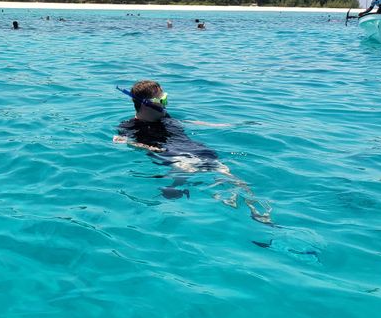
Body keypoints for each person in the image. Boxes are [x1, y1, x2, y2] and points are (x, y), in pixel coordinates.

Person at [114, 80, 270, 222]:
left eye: (165, 98)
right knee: (186, 168)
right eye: (162, 101)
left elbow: (188, 122)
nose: (166, 104)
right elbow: (134, 144)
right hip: (176, 155)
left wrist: (226, 125)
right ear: (146, 105)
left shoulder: (165, 116)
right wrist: (136, 144)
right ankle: (182, 188)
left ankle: (259, 214)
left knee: (233, 178)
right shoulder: (128, 127)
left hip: (199, 150)